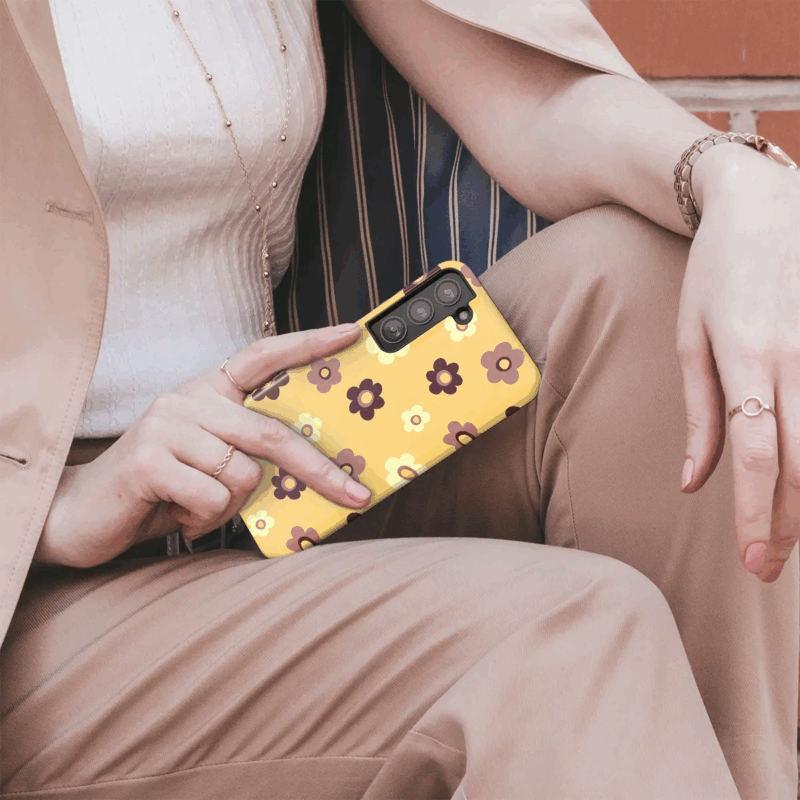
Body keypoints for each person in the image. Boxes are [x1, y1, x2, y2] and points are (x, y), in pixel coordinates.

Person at [0, 1, 796, 799]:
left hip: (272, 465)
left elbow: (536, 99)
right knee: (569, 634)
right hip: (38, 595)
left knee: (650, 281)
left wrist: (734, 181)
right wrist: (57, 503)